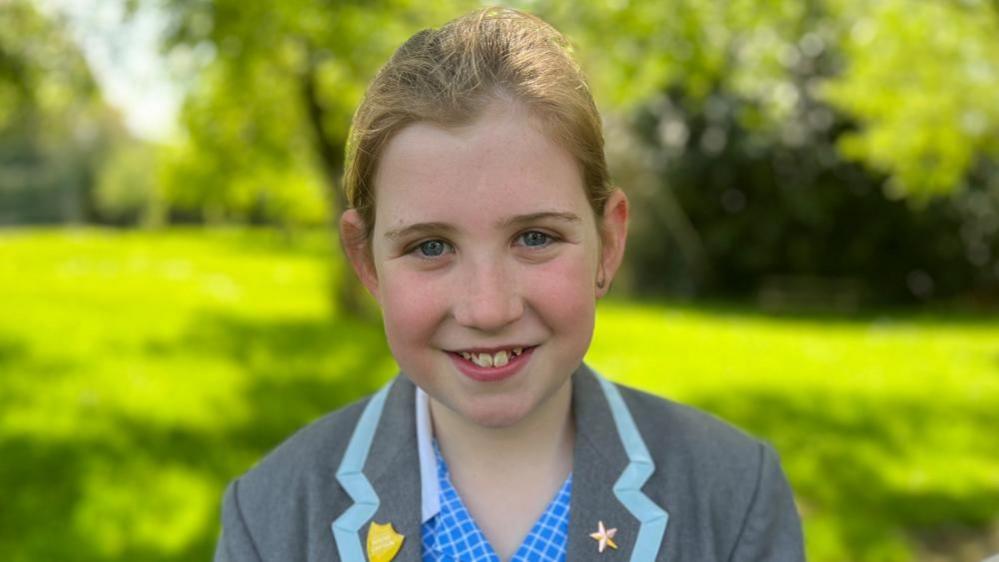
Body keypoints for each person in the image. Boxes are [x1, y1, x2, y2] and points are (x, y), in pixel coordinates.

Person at [213, 7, 804, 562]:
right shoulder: (272, 520)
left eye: (536, 238)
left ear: (610, 243)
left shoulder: (735, 499)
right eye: (431, 247)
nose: (489, 308)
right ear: (366, 263)